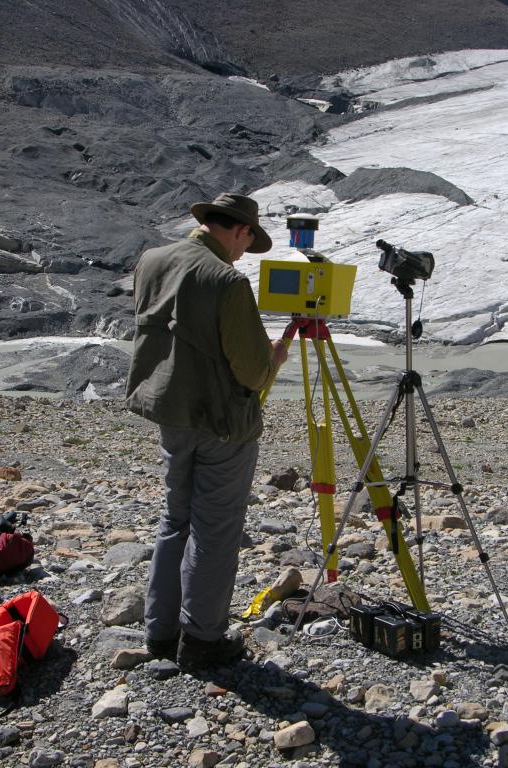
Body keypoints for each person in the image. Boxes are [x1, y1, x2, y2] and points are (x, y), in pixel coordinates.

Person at [125, 192, 289, 670]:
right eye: (247, 242)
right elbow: (252, 372)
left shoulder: (152, 260)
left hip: (169, 410)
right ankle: (202, 638)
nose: (244, 252)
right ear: (240, 230)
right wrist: (274, 360)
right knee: (215, 529)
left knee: (176, 517)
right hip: (220, 421)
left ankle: (161, 631)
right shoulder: (225, 279)